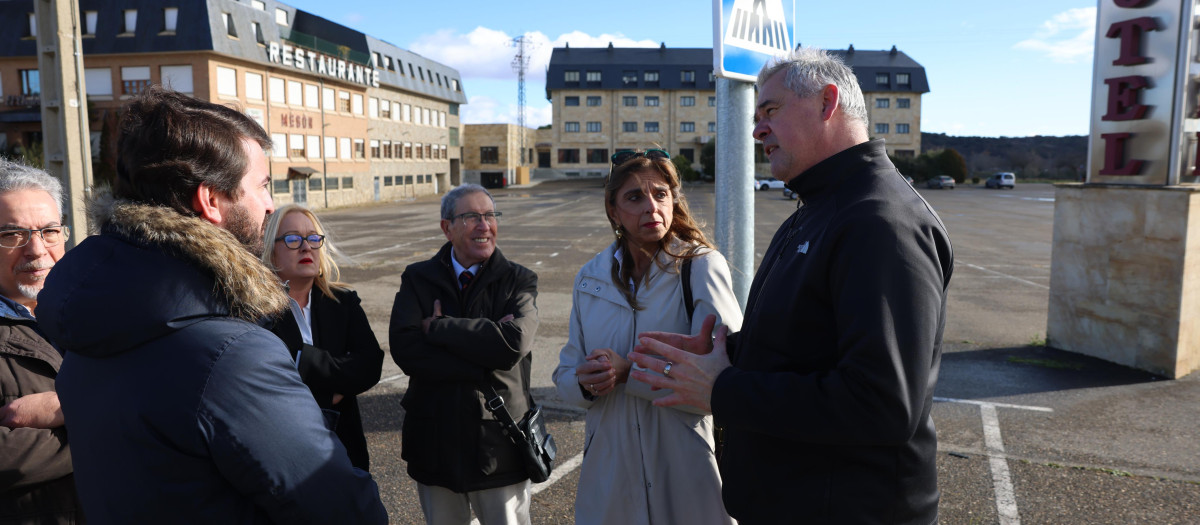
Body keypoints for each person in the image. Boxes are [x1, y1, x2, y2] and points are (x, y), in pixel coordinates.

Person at [630, 47, 954, 524]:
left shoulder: (879, 221)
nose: (757, 128)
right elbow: (806, 346)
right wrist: (727, 356)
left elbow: (881, 404)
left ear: (827, 103)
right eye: (756, 115)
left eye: (771, 111)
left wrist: (723, 390)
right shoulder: (819, 207)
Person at [35, 86, 387, 524]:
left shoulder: (90, 316)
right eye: (261, 185)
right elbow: (347, 511)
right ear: (211, 201)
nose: (269, 203)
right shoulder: (232, 354)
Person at [552, 149, 742, 525]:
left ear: (674, 200)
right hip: (609, 478)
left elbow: (730, 377)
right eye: (634, 197)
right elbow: (565, 374)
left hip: (685, 472)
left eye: (660, 194)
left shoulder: (700, 267)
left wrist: (629, 372)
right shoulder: (591, 277)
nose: (651, 206)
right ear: (613, 210)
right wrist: (585, 382)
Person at [390, 183, 539, 525]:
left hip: (499, 447)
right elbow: (407, 351)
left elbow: (513, 345)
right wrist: (485, 349)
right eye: (471, 217)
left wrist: (440, 328)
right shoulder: (418, 278)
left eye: (489, 215)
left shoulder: (518, 279)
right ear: (447, 227)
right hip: (434, 441)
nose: (484, 225)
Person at [262, 203, 383, 471]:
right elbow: (271, 385)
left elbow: (370, 364)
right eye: (293, 239)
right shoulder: (255, 312)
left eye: (313, 238)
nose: (306, 247)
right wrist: (335, 389)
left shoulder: (344, 302)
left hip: (345, 453)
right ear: (271, 251)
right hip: (284, 458)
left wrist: (305, 363)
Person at [0, 160, 82, 524]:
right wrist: (114, 423)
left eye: (49, 231)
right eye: (12, 235)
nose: (36, 249)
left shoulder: (110, 315)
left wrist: (72, 405)